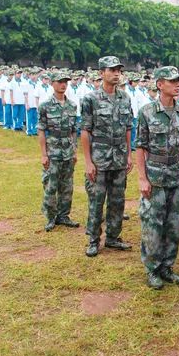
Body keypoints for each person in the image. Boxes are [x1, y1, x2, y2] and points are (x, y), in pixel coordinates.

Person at [136, 66, 179, 290]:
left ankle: (167, 266)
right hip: (155, 174)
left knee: (173, 224)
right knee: (153, 224)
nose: (177, 84)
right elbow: (140, 146)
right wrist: (142, 178)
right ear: (160, 85)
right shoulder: (147, 111)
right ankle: (152, 268)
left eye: (178, 81)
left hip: (175, 174)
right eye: (172, 81)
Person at [81, 56, 134, 257]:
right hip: (99, 158)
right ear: (101, 73)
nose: (116, 74)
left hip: (119, 157)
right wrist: (88, 161)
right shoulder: (91, 99)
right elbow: (85, 131)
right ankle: (93, 239)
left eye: (118, 70)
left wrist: (129, 154)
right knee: (96, 200)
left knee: (117, 200)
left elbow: (128, 128)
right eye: (111, 70)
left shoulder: (125, 98)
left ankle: (113, 237)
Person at [38, 70, 80, 232]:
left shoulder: (72, 105)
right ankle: (51, 217)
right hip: (53, 150)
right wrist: (43, 154)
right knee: (50, 184)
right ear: (52, 83)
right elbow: (41, 130)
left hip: (68, 151)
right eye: (60, 81)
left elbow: (73, 131)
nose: (63, 85)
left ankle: (64, 215)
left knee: (67, 185)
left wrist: (75, 150)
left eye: (65, 82)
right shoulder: (45, 106)